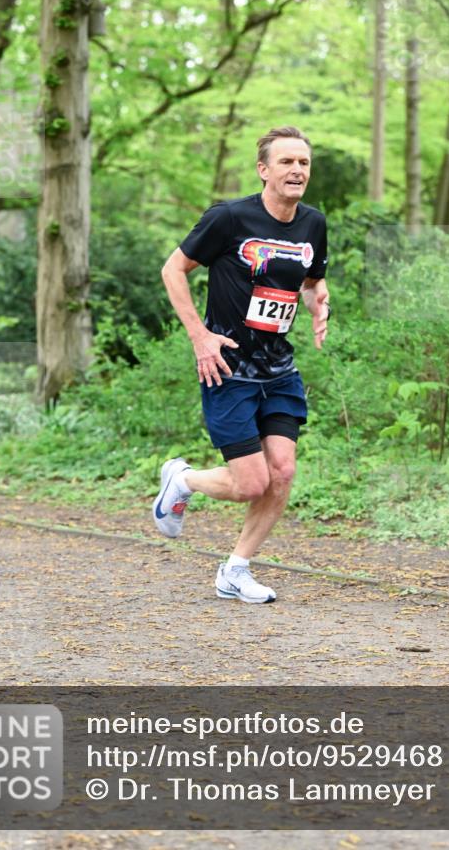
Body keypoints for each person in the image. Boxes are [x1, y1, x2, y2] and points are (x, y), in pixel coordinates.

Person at [153, 126, 330, 603]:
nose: (297, 170)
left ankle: (236, 569)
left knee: (284, 471)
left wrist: (319, 304)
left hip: (279, 369)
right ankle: (182, 479)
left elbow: (312, 280)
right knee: (252, 483)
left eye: (304, 163)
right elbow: (173, 270)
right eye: (287, 162)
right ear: (264, 170)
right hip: (228, 366)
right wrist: (199, 337)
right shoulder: (229, 218)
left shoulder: (313, 224)